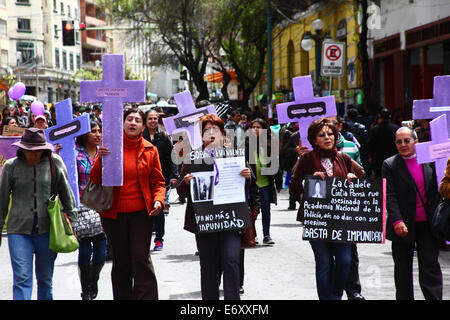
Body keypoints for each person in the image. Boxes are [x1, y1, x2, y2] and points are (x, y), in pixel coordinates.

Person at [89, 108, 166, 300]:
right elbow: (95, 178)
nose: (133, 123)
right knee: (121, 261)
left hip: (142, 213)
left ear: (143, 126)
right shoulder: (110, 147)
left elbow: (158, 182)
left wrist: (159, 199)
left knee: (140, 257)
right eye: (129, 119)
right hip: (113, 214)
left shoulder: (151, 149)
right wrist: (102, 158)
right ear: (122, 123)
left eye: (137, 120)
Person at [176, 113, 252, 300]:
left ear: (222, 134)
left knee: (231, 259)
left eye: (215, 129)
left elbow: (249, 185)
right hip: (205, 220)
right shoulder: (193, 158)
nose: (211, 133)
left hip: (230, 218)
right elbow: (180, 192)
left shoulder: (234, 155)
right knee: (208, 264)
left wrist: (248, 175)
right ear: (201, 135)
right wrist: (185, 183)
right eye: (207, 130)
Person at [0, 128, 76, 300]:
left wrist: (72, 223)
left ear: (44, 149)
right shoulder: (11, 166)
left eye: (37, 151)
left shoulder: (54, 162)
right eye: (29, 151)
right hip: (18, 231)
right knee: (21, 279)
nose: (33, 155)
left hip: (48, 231)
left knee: (45, 280)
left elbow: (67, 194)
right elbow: (2, 199)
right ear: (22, 149)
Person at [289, 118, 356, 300]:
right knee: (324, 263)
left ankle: (334, 295)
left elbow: (362, 176)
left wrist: (352, 176)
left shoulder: (344, 158)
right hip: (316, 220)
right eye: (322, 135)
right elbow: (293, 186)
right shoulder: (307, 159)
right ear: (313, 139)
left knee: (344, 261)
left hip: (341, 219)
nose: (327, 137)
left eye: (330, 134)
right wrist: (308, 181)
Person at [381, 126, 442, 300]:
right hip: (402, 225)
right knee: (402, 269)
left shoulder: (429, 160)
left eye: (407, 140)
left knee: (429, 266)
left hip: (428, 225)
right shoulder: (390, 164)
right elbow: (389, 195)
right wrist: (397, 220)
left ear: (416, 141)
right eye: (399, 142)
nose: (403, 145)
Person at [73, 121, 107, 300]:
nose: (97, 134)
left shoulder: (106, 152)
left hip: (103, 205)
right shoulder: (75, 154)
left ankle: (93, 280)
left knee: (101, 254)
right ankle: (86, 290)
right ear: (84, 134)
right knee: (85, 251)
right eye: (93, 131)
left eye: (99, 131)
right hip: (82, 207)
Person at [142, 110, 179, 251]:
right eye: (150, 118)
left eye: (155, 118)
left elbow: (172, 157)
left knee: (159, 209)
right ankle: (144, 239)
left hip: (161, 180)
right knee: (145, 211)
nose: (153, 121)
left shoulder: (164, 136)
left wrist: (174, 175)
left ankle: (159, 239)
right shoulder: (140, 137)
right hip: (144, 181)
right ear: (146, 121)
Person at [246, 118, 282, 245]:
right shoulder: (246, 144)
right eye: (253, 127)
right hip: (251, 185)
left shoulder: (269, 144)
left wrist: (279, 182)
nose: (255, 129)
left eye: (258, 127)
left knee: (266, 209)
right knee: (253, 210)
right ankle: (253, 234)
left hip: (266, 184)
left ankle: (266, 235)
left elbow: (276, 164)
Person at [368, 108, 399, 177]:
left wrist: (371, 156)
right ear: (389, 117)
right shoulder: (396, 129)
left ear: (380, 116)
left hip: (378, 160)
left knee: (380, 181)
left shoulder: (374, 129)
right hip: (393, 158)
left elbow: (371, 144)